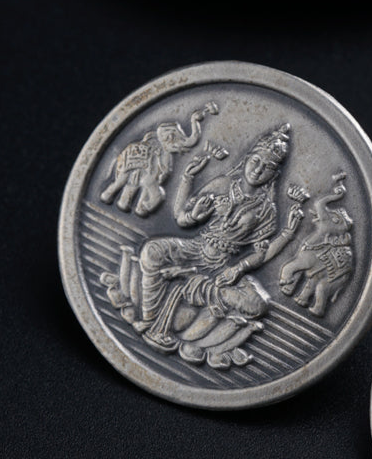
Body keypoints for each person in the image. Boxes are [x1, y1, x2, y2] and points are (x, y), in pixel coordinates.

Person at [102, 123, 304, 368]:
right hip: (196, 249)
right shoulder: (222, 184)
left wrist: (240, 268)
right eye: (256, 162)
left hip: (224, 267)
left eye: (267, 168)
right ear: (247, 159)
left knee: (258, 304)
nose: (258, 170)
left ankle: (193, 284)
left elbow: (262, 254)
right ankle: (151, 319)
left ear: (274, 175)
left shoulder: (266, 211)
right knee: (151, 251)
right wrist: (188, 178)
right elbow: (182, 218)